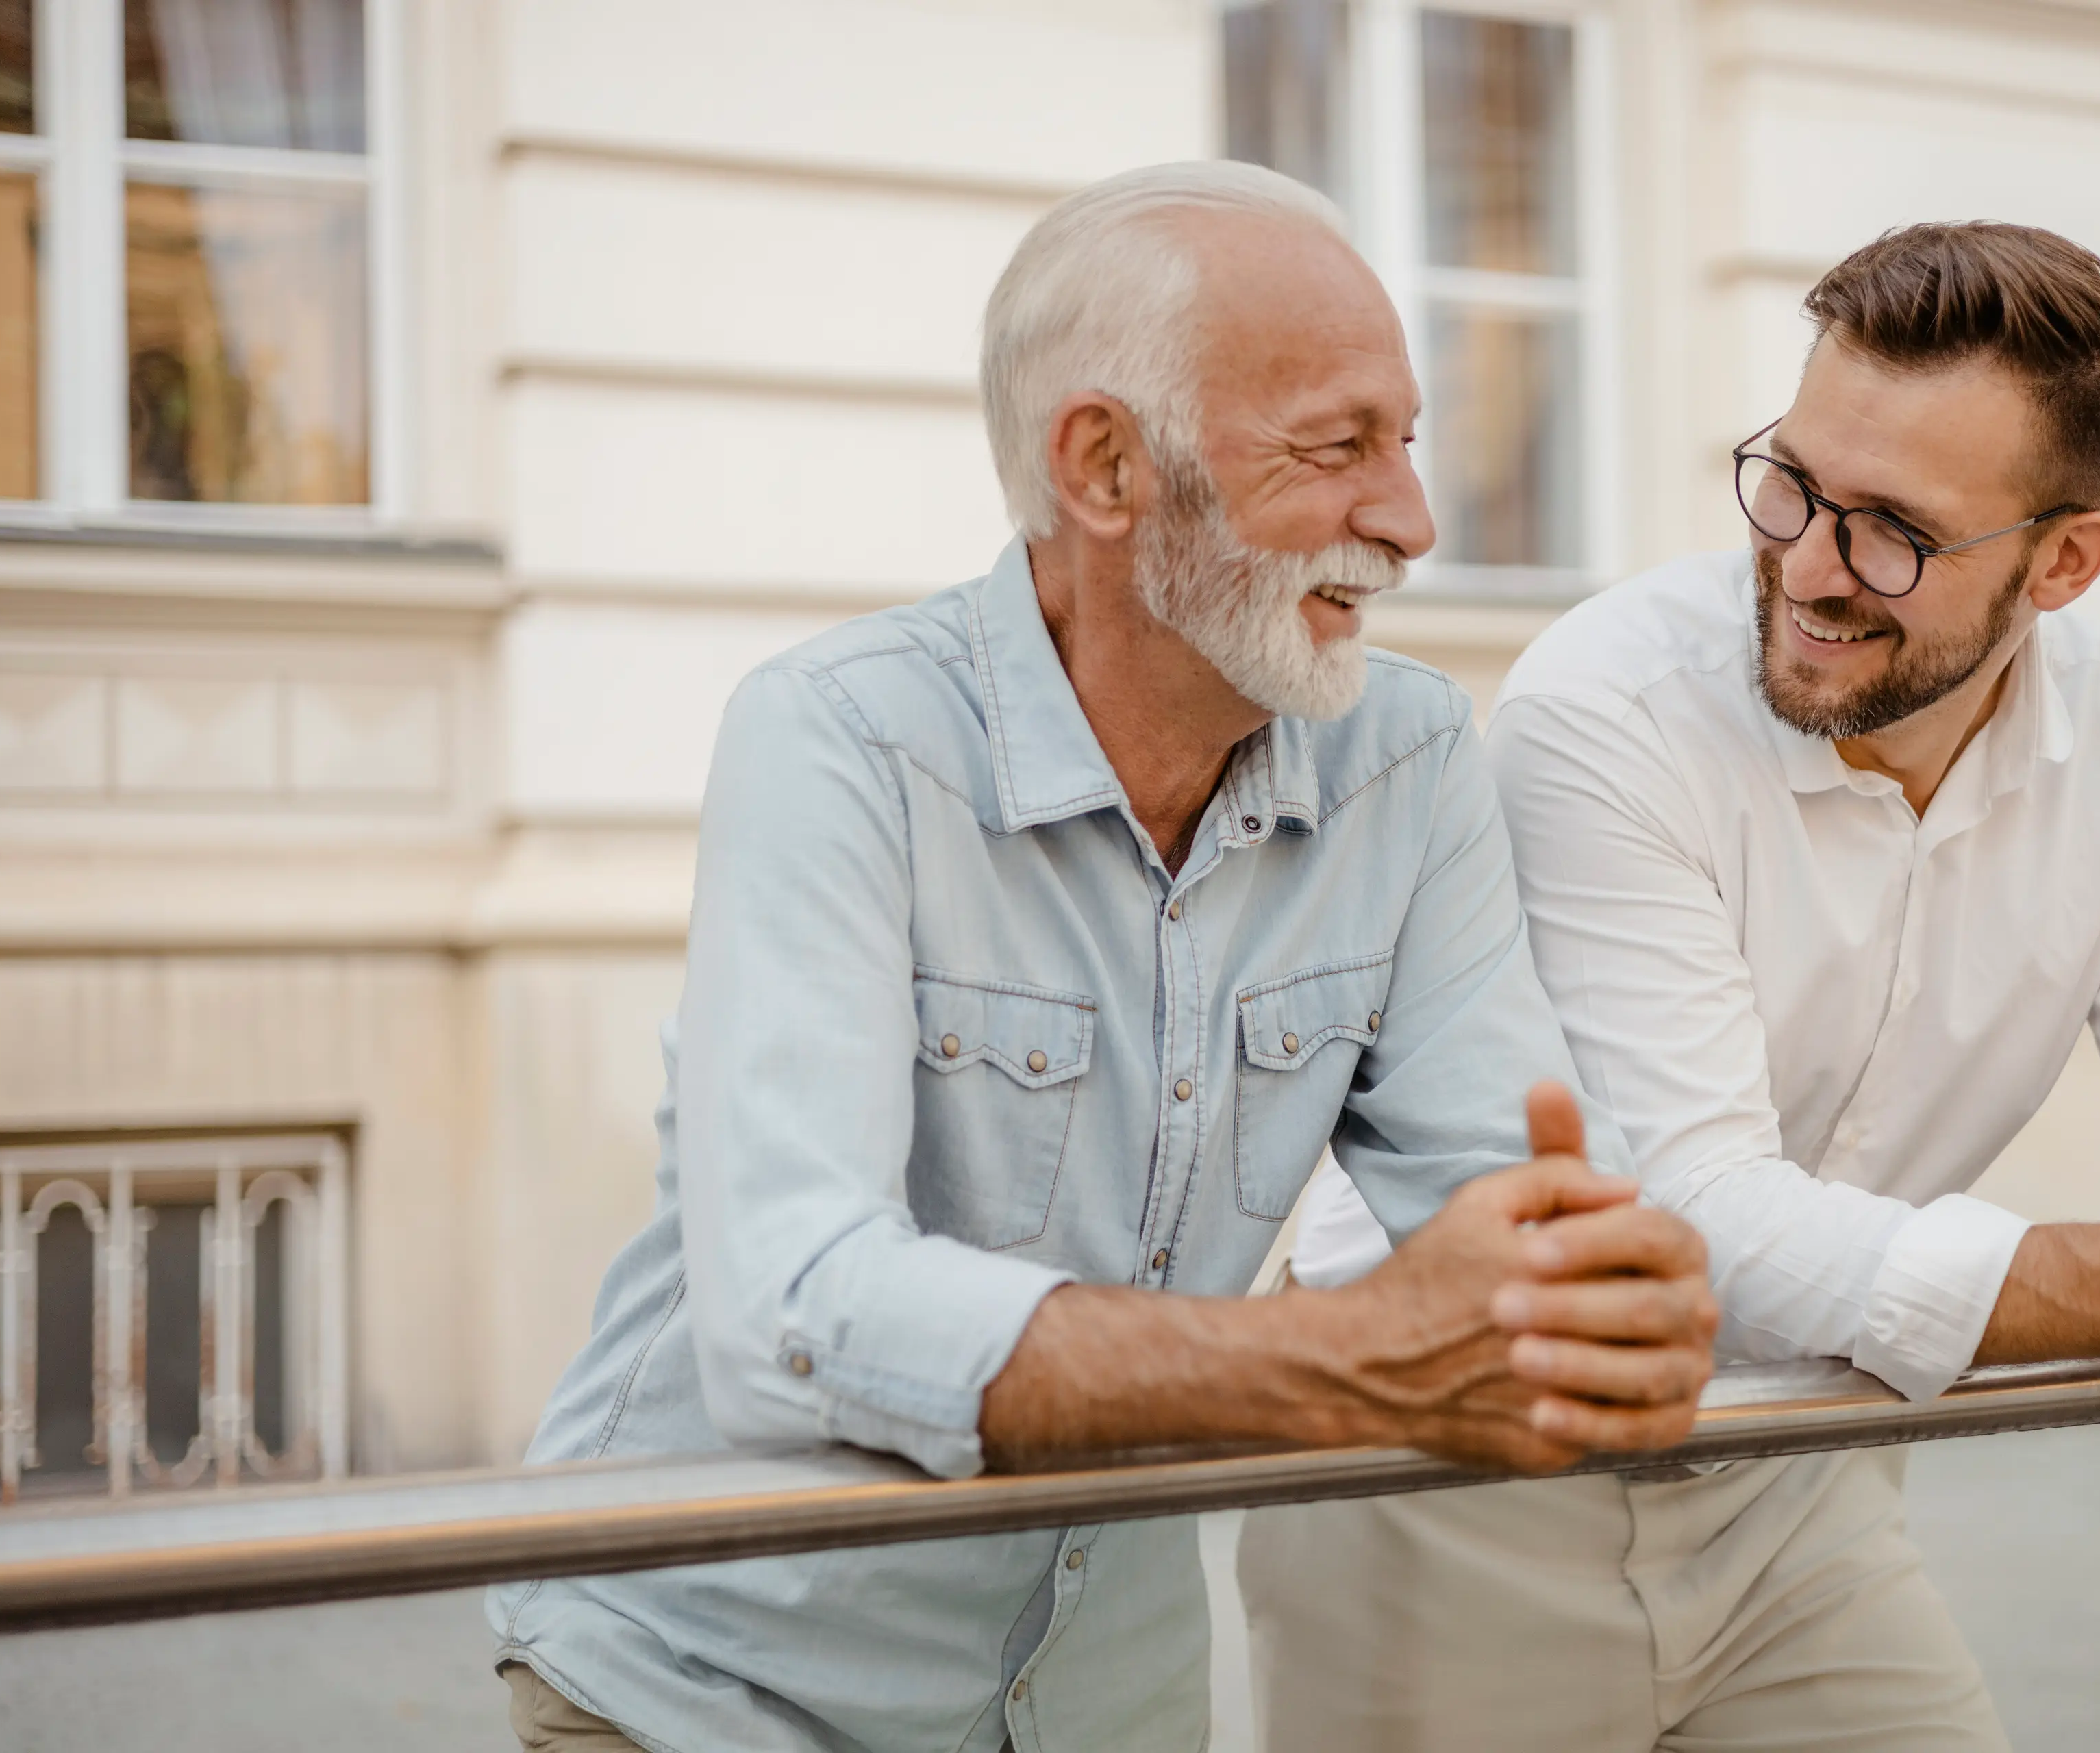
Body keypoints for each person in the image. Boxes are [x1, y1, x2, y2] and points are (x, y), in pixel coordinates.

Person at [485, 161, 1720, 1753]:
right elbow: (792, 1307)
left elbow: (1510, 1228)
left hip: (1099, 1704)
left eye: (1408, 441)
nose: (1411, 520)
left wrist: (1595, 1290)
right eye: (1336, 447)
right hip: (713, 1690)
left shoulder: (1408, 761)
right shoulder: (840, 736)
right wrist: (1344, 1356)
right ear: (1107, 466)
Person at [1240, 222, 2100, 1752]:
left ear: (2066, 561)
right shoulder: (1607, 704)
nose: (1810, 566)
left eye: (1895, 530)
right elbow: (1693, 1215)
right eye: (1794, 483)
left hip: (1799, 1483)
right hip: (1460, 1482)